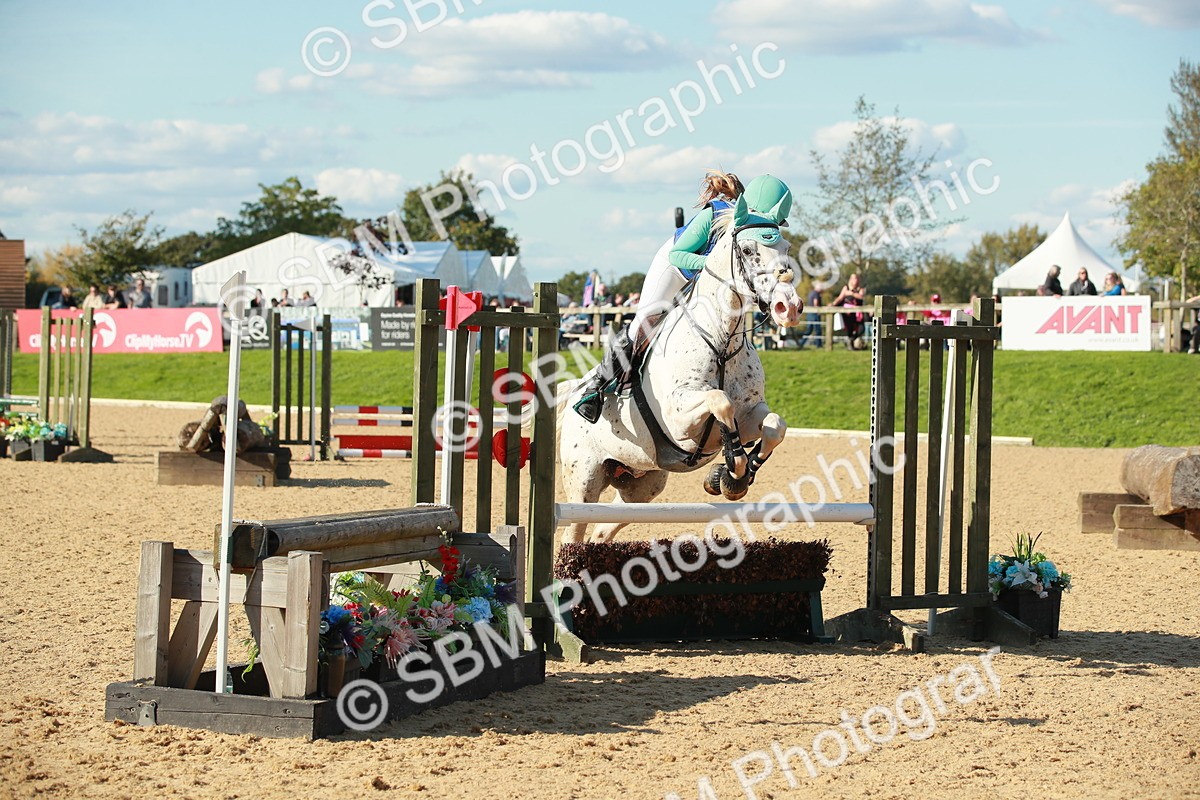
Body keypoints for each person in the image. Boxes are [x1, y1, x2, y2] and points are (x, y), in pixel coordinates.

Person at [573, 170, 793, 423]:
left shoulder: (753, 232)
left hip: (706, 277)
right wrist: (714, 263)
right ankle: (596, 388)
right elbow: (679, 254)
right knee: (645, 320)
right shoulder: (714, 214)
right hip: (676, 266)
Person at [832, 273, 867, 349]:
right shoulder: (846, 288)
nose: (855, 280)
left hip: (858, 313)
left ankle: (851, 340)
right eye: (853, 278)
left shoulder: (861, 289)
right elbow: (840, 298)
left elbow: (861, 297)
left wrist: (851, 293)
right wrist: (833, 304)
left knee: (861, 329)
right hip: (848, 313)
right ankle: (850, 345)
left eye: (856, 278)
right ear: (850, 279)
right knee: (850, 329)